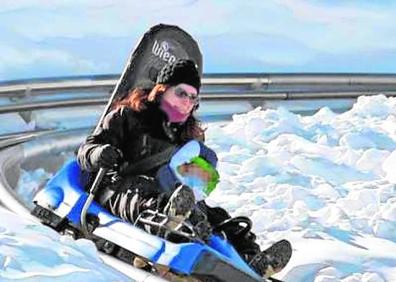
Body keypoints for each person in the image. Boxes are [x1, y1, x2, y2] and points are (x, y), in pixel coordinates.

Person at [77, 59, 290, 278]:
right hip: (123, 189)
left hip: (176, 195)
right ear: (161, 90)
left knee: (215, 216)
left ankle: (250, 260)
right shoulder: (127, 116)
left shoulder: (188, 135)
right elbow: (87, 150)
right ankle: (170, 222)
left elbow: (192, 183)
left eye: (192, 97)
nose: (187, 102)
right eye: (181, 93)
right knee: (148, 193)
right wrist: (99, 153)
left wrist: (199, 176)